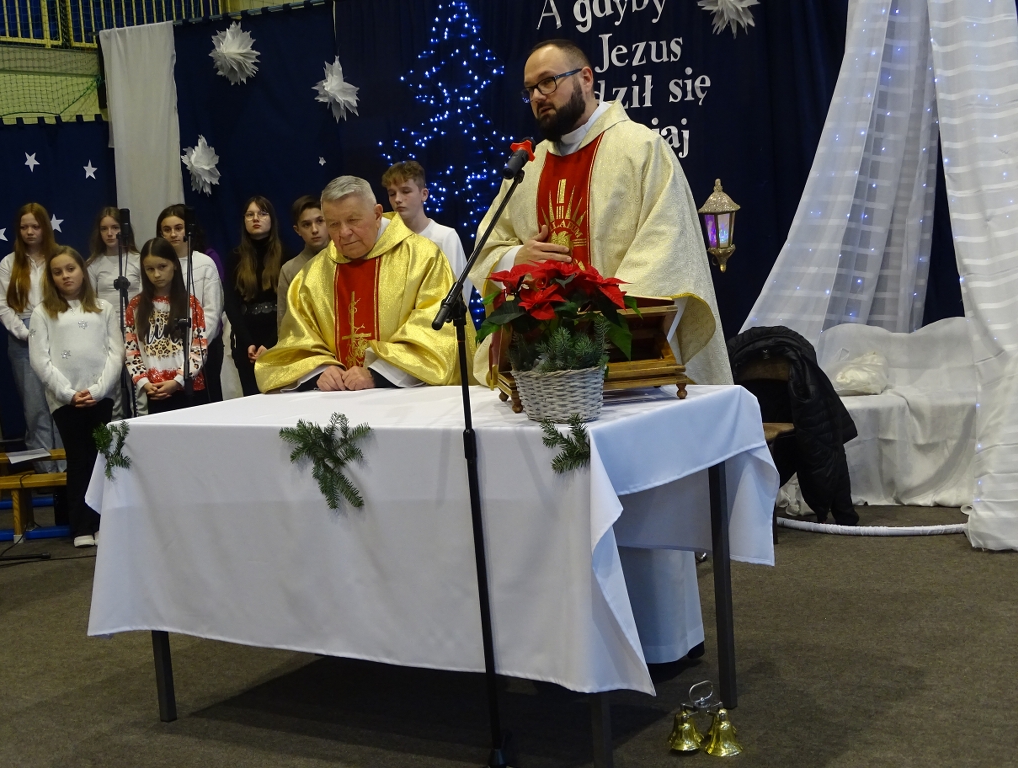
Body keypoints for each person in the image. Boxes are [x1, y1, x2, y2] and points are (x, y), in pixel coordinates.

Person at [471, 39, 732, 666]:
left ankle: (662, 646)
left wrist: (595, 314)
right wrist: (517, 257)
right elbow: (488, 246)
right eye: (531, 89)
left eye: (550, 82)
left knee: (640, 512)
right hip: (545, 378)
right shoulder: (528, 168)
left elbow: (667, 248)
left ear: (587, 77)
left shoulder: (639, 148)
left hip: (624, 372)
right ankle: (571, 649)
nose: (539, 97)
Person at [253, 176, 469, 393]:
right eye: (334, 224)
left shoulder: (423, 258)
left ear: (377, 214)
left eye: (353, 220)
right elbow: (296, 341)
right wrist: (319, 369)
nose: (344, 233)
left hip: (405, 399)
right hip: (336, 403)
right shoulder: (312, 275)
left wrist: (377, 373)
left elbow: (437, 335)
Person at [29, 246, 121, 548]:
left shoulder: (103, 308)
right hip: (65, 401)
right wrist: (68, 394)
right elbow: (40, 359)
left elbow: (116, 352)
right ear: (51, 278)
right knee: (79, 459)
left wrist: (98, 390)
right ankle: (81, 525)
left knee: (100, 458)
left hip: (100, 397)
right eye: (58, 272)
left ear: (82, 270)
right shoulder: (43, 312)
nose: (65, 276)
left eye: (71, 269)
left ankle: (103, 523)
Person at [0, 203, 63, 471]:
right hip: (22, 339)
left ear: (45, 228)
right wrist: (27, 334)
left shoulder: (59, 257)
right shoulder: (9, 263)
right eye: (24, 227)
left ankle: (66, 468)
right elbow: (3, 306)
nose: (30, 232)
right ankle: (44, 472)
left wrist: (54, 332)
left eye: (35, 226)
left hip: (58, 333)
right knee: (35, 409)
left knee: (60, 403)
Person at [124, 238, 209, 413]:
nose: (156, 274)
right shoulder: (136, 306)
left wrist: (178, 380)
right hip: (155, 390)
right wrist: (144, 382)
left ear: (174, 265)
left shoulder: (190, 304)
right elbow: (131, 350)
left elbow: (199, 348)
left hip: (188, 388)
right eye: (150, 269)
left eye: (162, 267)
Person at [225, 196, 292, 396]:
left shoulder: (287, 255)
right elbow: (230, 304)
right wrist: (248, 343)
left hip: (278, 337)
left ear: (272, 219)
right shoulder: (235, 257)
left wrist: (270, 344)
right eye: (250, 214)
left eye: (262, 213)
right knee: (252, 398)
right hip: (247, 340)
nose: (256, 218)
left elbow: (291, 305)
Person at [156, 205, 224, 401]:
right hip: (169, 350)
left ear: (189, 229)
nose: (173, 234)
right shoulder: (158, 266)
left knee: (207, 402)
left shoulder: (204, 263)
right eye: (167, 229)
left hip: (204, 346)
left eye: (178, 228)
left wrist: (197, 345)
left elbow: (212, 311)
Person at [381, 161, 471, 297]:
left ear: (424, 194)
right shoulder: (387, 238)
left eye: (406, 191)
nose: (398, 199)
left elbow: (460, 291)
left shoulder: (445, 236)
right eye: (392, 194)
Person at [86, 207, 142, 418]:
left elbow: (146, 297)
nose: (110, 233)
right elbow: (90, 302)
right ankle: (117, 432)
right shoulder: (93, 264)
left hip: (136, 331)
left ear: (124, 229)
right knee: (113, 389)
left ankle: (142, 426)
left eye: (115, 227)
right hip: (107, 333)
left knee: (138, 386)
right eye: (104, 229)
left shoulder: (137, 259)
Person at [276, 195, 329, 331]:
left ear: (329, 221)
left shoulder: (346, 259)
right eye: (306, 225)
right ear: (297, 230)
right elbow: (284, 323)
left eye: (320, 221)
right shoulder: (289, 270)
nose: (314, 229)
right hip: (307, 341)